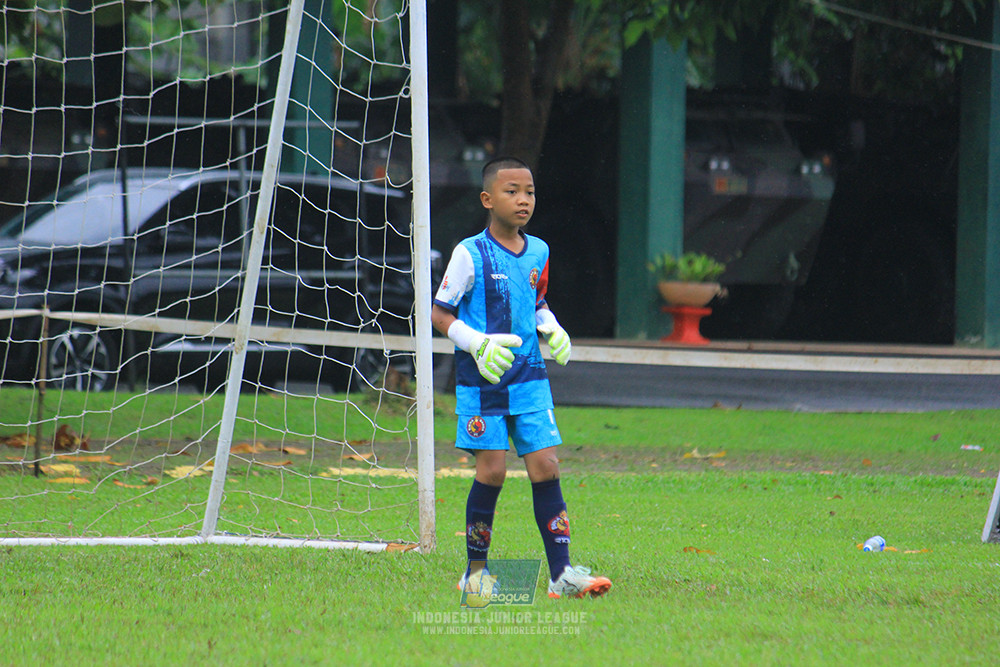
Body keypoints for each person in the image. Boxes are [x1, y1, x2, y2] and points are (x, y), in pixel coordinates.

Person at [431, 156, 612, 599]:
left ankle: (562, 575)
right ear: (488, 199)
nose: (523, 200)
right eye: (511, 191)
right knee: (491, 472)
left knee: (547, 466)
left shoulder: (540, 250)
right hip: (482, 381)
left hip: (530, 379)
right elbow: (439, 312)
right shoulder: (468, 253)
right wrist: (476, 343)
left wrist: (551, 325)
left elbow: (537, 300)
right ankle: (476, 573)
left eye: (529, 191)